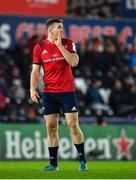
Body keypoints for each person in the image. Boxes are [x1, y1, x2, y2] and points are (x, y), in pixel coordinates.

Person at [30, 18, 87, 171]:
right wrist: (32, 89)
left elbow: (74, 62)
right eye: (59, 27)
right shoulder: (39, 47)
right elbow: (35, 71)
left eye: (62, 27)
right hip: (49, 93)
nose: (62, 30)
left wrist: (60, 47)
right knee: (50, 127)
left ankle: (82, 160)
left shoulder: (68, 43)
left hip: (67, 91)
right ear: (50, 31)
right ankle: (53, 164)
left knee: (72, 125)